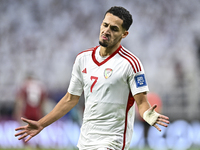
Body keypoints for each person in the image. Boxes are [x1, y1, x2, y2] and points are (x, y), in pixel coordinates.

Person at [15, 6, 170, 150]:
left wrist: (149, 115)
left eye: (114, 29)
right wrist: (42, 124)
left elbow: (141, 103)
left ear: (124, 34)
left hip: (112, 141)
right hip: (86, 140)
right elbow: (70, 99)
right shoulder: (83, 59)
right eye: (105, 25)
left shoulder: (131, 64)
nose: (106, 31)